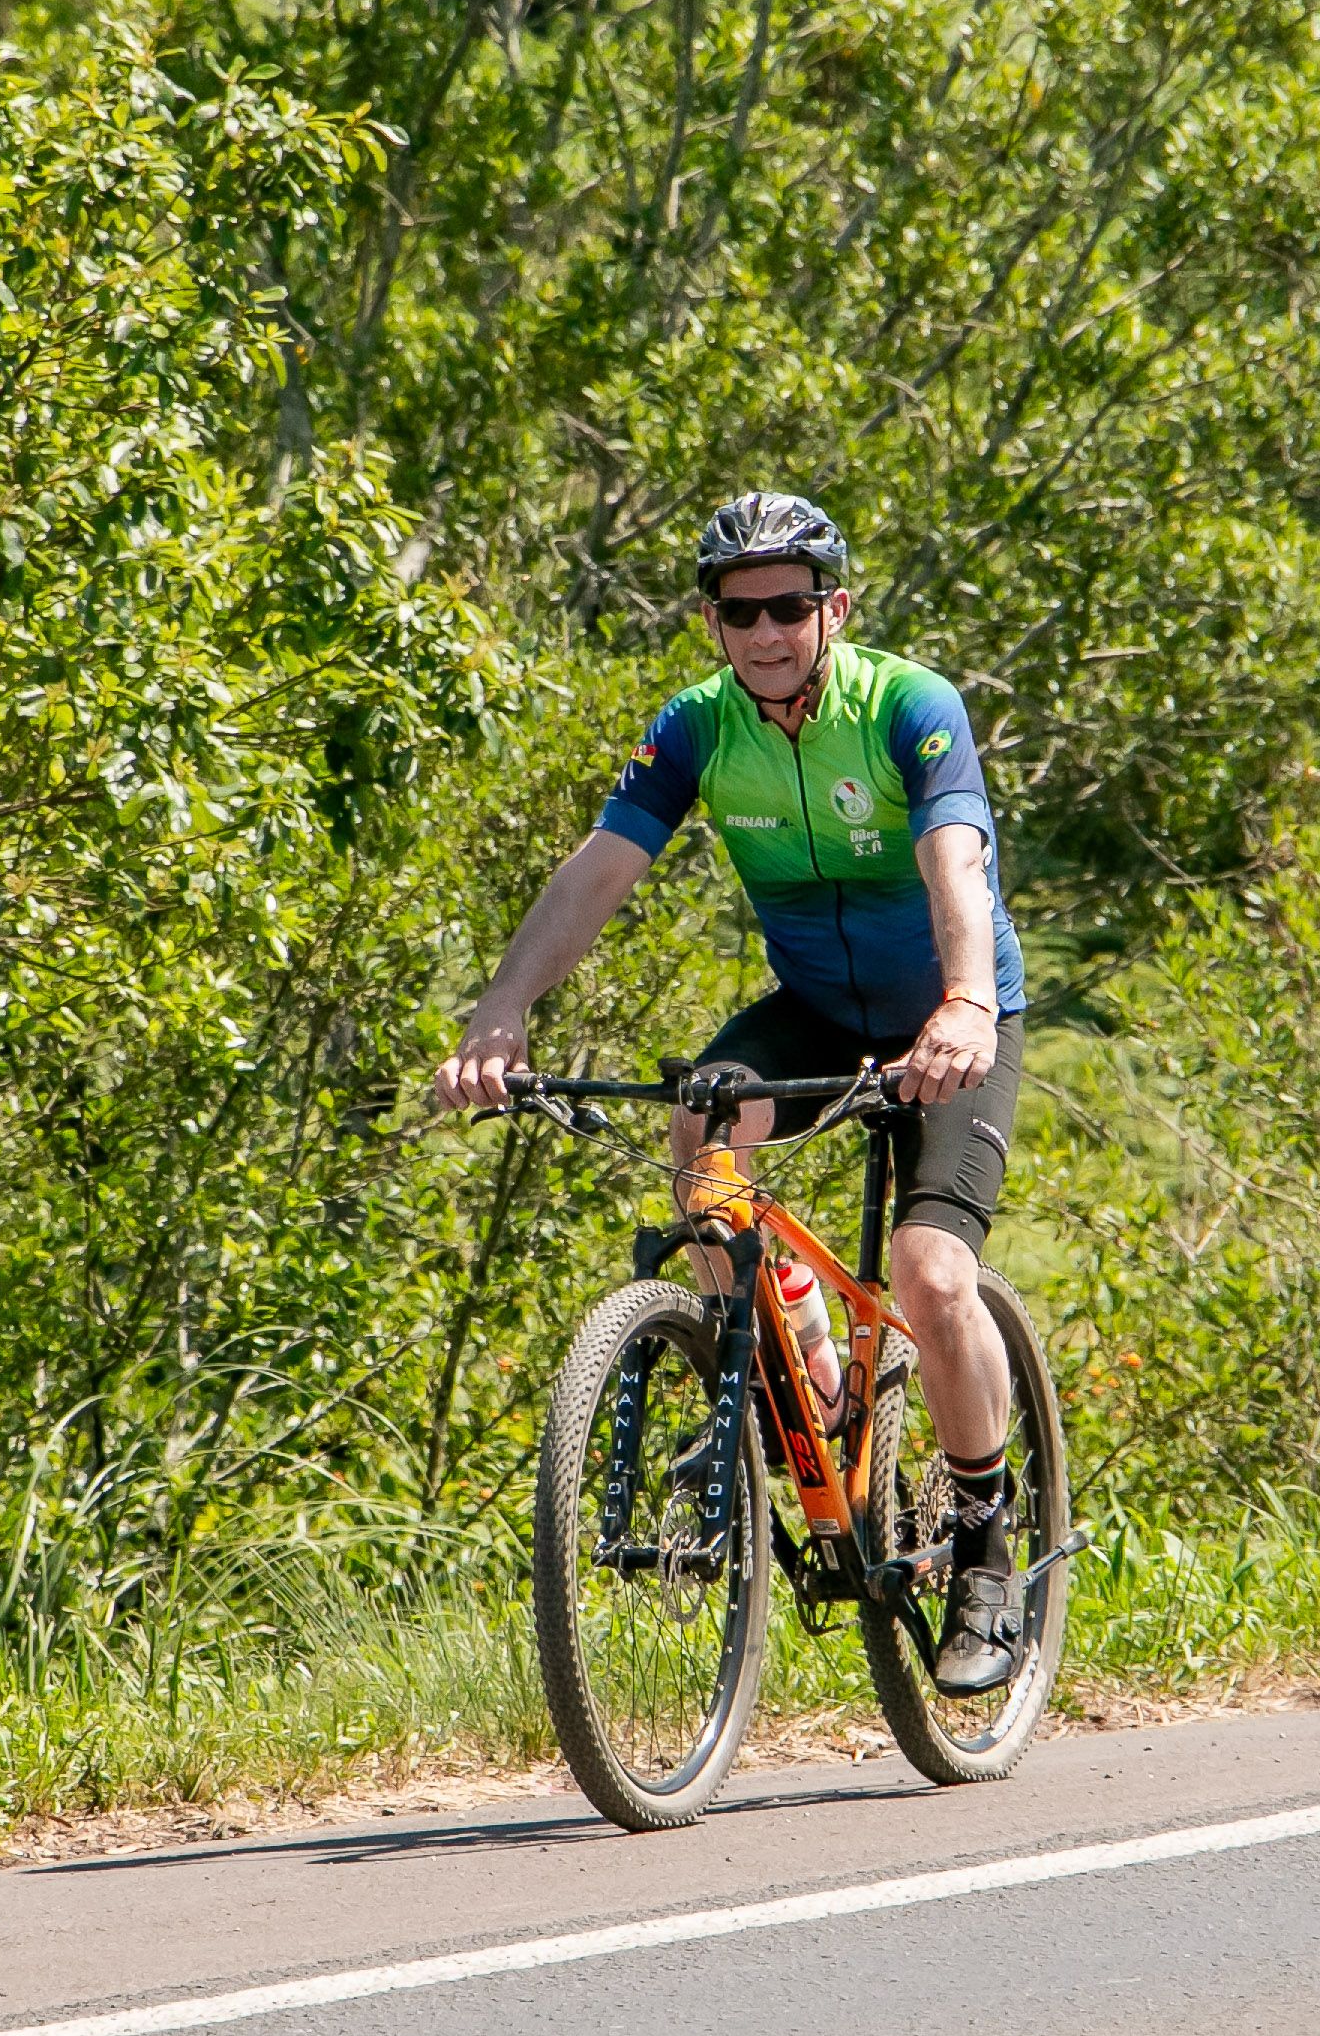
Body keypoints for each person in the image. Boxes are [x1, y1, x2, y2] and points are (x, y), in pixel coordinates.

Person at [430, 491, 1035, 1695]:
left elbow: (953, 865)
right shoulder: (698, 728)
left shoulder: (910, 707)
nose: (764, 631)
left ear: (833, 610)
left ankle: (983, 1541)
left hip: (951, 1017)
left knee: (930, 1274)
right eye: (739, 611)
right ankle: (797, 1372)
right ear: (712, 622)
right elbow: (597, 873)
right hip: (817, 1008)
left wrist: (966, 1004)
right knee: (701, 1133)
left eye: (788, 607)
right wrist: (501, 1010)